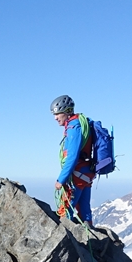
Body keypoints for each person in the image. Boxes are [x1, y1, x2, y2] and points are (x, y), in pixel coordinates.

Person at [51, 95, 97, 224]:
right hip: (86, 173)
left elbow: (72, 156)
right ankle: (89, 239)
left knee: (65, 211)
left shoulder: (73, 127)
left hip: (76, 176)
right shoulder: (82, 123)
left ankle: (69, 241)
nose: (55, 118)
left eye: (57, 114)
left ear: (66, 112)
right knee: (84, 212)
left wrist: (61, 179)